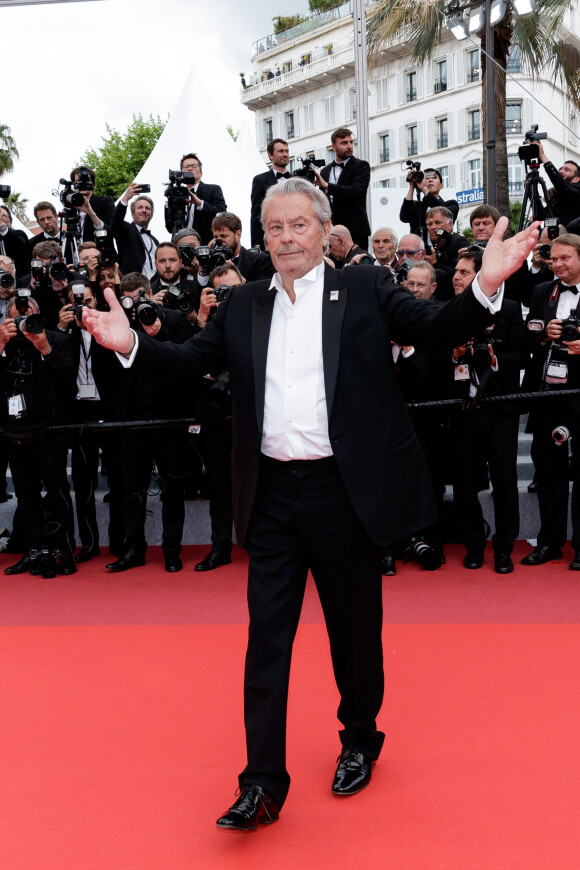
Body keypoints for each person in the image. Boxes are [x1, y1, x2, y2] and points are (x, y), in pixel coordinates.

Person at [83, 177, 539, 831]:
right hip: (270, 496)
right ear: (261, 238)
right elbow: (186, 362)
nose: (286, 238)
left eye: (298, 225)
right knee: (266, 639)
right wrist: (128, 343)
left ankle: (359, 737)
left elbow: (436, 328)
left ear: (325, 231)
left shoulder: (361, 289)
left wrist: (485, 288)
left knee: (354, 634)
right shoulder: (241, 307)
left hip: (342, 493)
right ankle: (262, 782)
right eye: (273, 228)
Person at [445, 251, 529, 573]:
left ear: (480, 276)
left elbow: (523, 353)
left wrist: (495, 360)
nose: (456, 277)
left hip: (499, 410)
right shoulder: (448, 312)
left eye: (464, 272)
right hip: (463, 411)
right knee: (464, 482)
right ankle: (473, 545)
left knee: (505, 480)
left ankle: (504, 548)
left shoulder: (507, 310)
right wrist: (454, 356)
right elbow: (436, 359)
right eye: (456, 271)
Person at [521, 233, 580, 569]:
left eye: (565, 258)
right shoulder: (543, 291)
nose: (557, 265)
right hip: (548, 394)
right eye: (553, 259)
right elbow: (529, 335)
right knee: (548, 473)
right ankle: (549, 543)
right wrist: (544, 335)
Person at [314, 127, 371, 250]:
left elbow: (355, 191)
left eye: (351, 142)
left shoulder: (361, 166)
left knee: (357, 267)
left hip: (355, 230)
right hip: (332, 231)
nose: (349, 146)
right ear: (333, 147)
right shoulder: (325, 171)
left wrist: (327, 186)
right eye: (344, 143)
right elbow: (324, 201)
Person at [164, 153, 227, 243]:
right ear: (181, 174)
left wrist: (200, 203)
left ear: (201, 173)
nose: (189, 169)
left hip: (205, 244)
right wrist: (169, 203)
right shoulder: (177, 194)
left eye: (194, 166)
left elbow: (222, 214)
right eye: (186, 167)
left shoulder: (213, 189)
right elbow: (170, 228)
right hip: (181, 245)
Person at [400, 167, 459, 244]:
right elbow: (404, 217)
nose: (430, 180)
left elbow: (443, 212)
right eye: (426, 178)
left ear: (441, 185)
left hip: (444, 251)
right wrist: (412, 186)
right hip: (420, 252)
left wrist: (424, 188)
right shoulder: (416, 206)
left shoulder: (451, 204)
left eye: (434, 178)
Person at [112, 182, 159, 278]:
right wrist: (125, 198)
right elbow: (115, 223)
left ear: (151, 215)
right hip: (133, 286)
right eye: (140, 207)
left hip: (154, 287)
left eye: (147, 208)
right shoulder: (125, 230)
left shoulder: (155, 241)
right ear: (133, 214)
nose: (144, 210)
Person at [250, 138, 290, 250]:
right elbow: (256, 213)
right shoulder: (260, 180)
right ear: (270, 155)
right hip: (271, 236)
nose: (285, 154)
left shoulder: (296, 180)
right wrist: (256, 244)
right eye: (281, 151)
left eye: (287, 151)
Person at [211, 212, 274, 282]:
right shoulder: (214, 261)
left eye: (224, 236)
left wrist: (235, 273)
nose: (219, 241)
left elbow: (262, 290)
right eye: (216, 237)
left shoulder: (260, 260)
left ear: (238, 235)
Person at [530, 141, 580, 228]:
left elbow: (563, 187)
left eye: (566, 170)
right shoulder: (556, 196)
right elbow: (542, 216)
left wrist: (542, 156)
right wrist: (532, 192)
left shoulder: (576, 192)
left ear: (576, 179)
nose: (561, 171)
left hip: (573, 239)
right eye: (560, 169)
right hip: (555, 238)